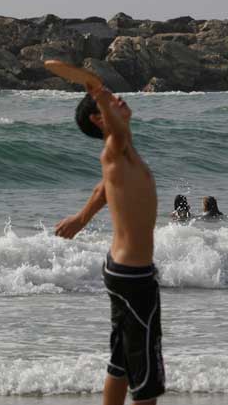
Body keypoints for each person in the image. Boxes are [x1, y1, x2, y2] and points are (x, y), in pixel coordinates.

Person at [55, 85, 164, 404]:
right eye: (110, 101)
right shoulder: (114, 148)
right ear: (98, 119)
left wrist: (80, 219)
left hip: (124, 271)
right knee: (146, 378)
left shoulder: (124, 151)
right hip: (133, 277)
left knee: (121, 361)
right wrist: (101, 96)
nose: (120, 100)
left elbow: (104, 188)